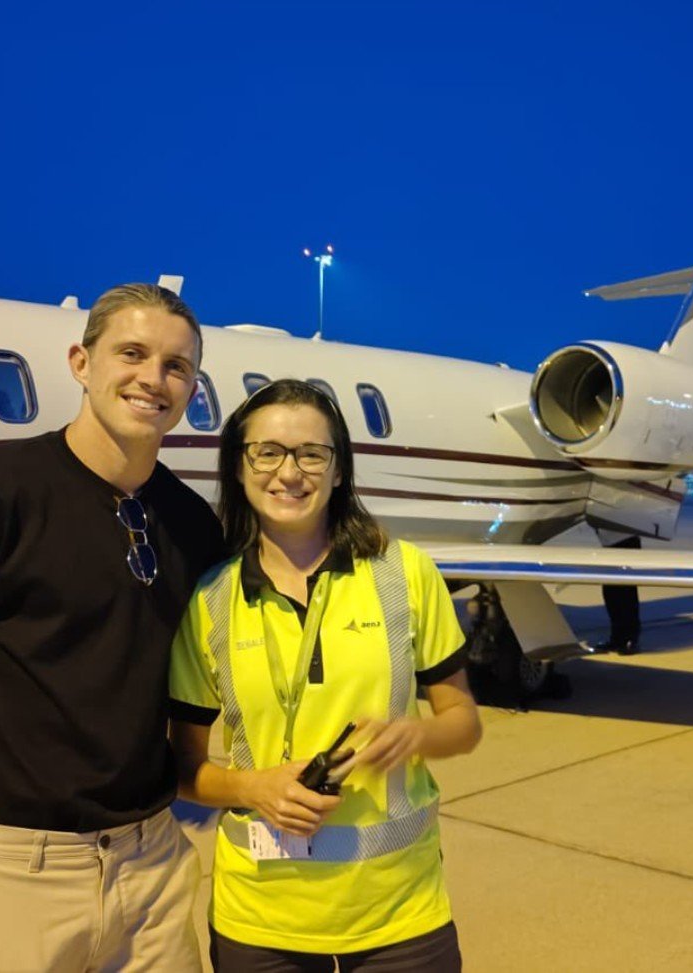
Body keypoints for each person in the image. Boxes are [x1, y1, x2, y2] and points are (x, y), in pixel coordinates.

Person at [0, 284, 226, 972]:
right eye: (133, 353)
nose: (154, 378)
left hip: (154, 870)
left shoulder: (193, 525)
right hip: (13, 875)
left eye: (176, 365)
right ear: (81, 362)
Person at [169, 379, 482, 971]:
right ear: (238, 467)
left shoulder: (403, 574)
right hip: (261, 922)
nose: (290, 472)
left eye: (312, 453)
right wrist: (252, 788)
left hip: (401, 915)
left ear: (339, 470)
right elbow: (183, 770)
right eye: (268, 452)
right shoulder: (211, 599)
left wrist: (419, 735)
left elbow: (463, 722)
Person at [595, 533, 642, 654]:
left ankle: (630, 638)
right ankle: (617, 638)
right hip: (610, 538)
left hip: (626, 536)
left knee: (625, 591)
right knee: (610, 591)